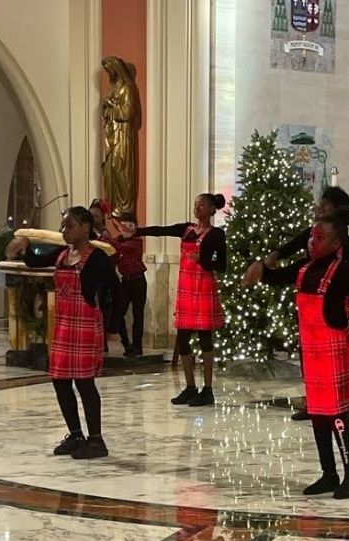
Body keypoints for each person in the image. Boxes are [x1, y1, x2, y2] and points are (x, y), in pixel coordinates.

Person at [243, 213, 349, 499]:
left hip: (334, 350)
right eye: (311, 237)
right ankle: (329, 473)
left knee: (338, 414)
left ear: (337, 242)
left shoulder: (343, 271)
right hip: (311, 351)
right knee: (317, 414)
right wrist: (260, 269)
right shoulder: (304, 269)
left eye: (320, 238)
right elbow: (277, 277)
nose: (312, 243)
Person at [6, 207, 120, 458]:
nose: (64, 231)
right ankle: (76, 434)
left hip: (86, 326)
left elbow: (114, 289)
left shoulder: (96, 257)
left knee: (84, 383)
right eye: (63, 226)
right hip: (64, 327)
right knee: (59, 380)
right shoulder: (63, 254)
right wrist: (26, 244)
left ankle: (96, 440)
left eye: (69, 226)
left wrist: (110, 325)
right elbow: (35, 260)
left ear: (85, 228)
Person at [266, 186, 349, 421]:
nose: (319, 208)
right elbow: (291, 246)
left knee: (338, 361)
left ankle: (345, 405)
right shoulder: (313, 232)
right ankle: (314, 402)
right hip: (311, 307)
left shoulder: (345, 243)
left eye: (324, 205)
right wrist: (273, 257)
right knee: (309, 357)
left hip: (333, 307)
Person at [136, 193, 227, 406]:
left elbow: (222, 265)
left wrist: (203, 260)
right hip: (186, 288)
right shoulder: (186, 229)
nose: (197, 208)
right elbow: (161, 231)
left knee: (205, 338)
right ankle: (189, 386)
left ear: (212, 209)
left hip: (203, 287)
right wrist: (136, 232)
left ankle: (208, 389)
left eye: (202, 205)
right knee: (183, 337)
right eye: (196, 205)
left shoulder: (216, 234)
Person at [101, 57, 139, 217]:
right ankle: (113, 204)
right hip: (111, 133)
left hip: (123, 135)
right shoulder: (113, 88)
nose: (110, 74)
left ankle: (124, 206)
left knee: (120, 167)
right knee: (110, 169)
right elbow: (107, 112)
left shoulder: (128, 88)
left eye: (111, 70)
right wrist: (106, 106)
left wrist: (112, 104)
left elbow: (127, 112)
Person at [108, 213, 146, 357]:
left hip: (138, 281)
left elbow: (122, 248)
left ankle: (137, 346)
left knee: (138, 314)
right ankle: (126, 343)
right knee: (118, 313)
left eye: (130, 226)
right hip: (125, 281)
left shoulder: (137, 241)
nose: (127, 229)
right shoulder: (117, 241)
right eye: (123, 226)